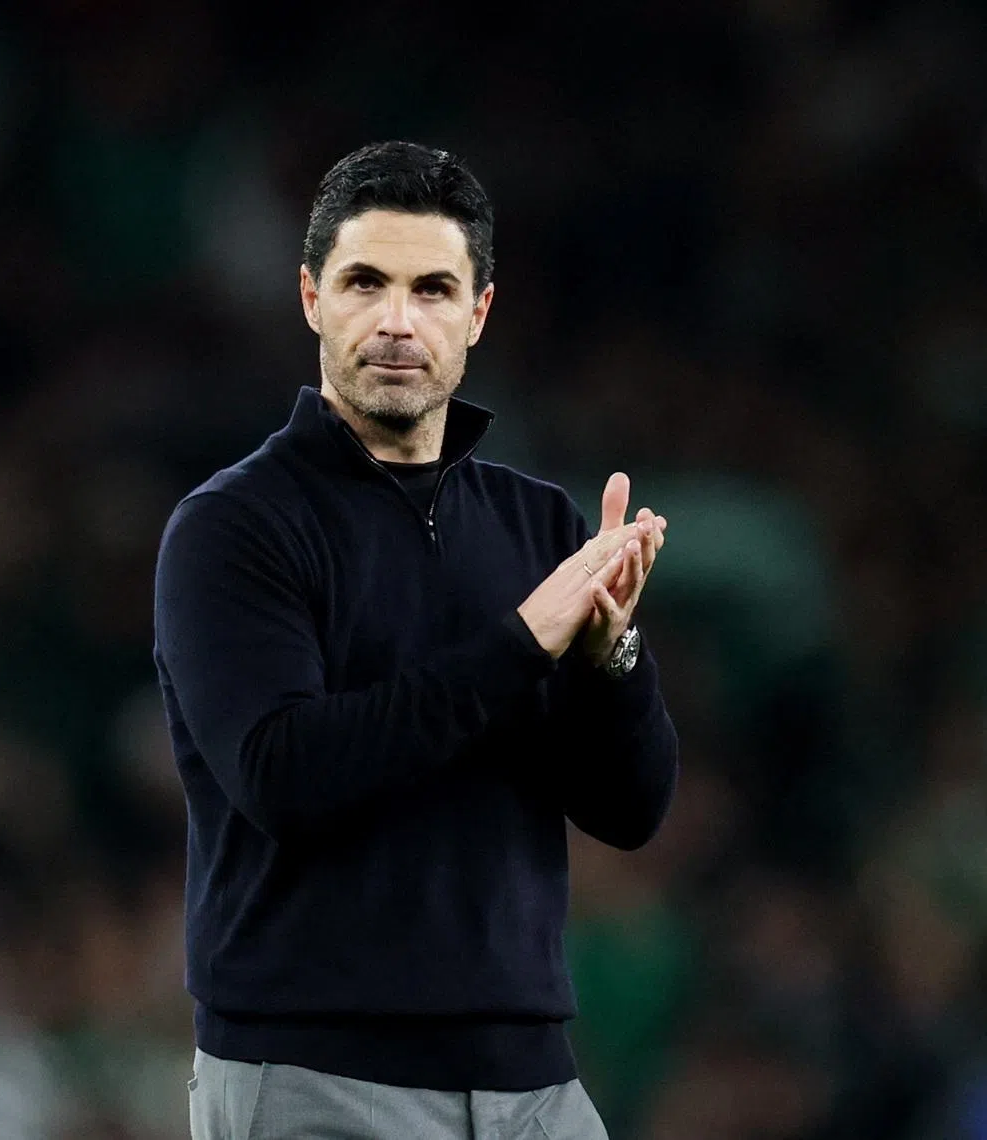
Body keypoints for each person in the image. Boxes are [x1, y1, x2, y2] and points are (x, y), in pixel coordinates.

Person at [153, 139, 679, 1140]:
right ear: (312, 297)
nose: (398, 320)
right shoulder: (234, 527)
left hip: (534, 1083)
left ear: (478, 313)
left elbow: (630, 809)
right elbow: (282, 775)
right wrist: (524, 642)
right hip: (316, 1081)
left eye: (433, 288)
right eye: (366, 282)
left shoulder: (537, 524)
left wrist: (614, 657)